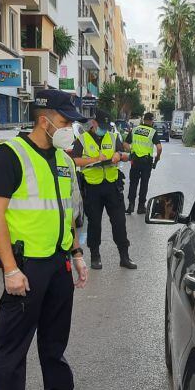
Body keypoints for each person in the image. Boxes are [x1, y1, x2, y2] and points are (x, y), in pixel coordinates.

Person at [0, 89, 98, 390]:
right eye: (65, 123)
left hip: (58, 262)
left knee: (54, 339)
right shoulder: (10, 155)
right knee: (13, 347)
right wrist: (10, 269)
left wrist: (77, 253)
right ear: (44, 119)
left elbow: (66, 212)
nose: (71, 130)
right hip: (26, 266)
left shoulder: (63, 160)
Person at [72, 110, 137, 270]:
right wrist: (95, 160)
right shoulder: (82, 139)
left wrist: (119, 155)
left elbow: (127, 155)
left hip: (112, 186)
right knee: (94, 223)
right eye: (102, 126)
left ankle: (124, 256)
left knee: (119, 222)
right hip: (92, 187)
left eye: (107, 126)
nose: (105, 129)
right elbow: (74, 160)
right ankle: (95, 256)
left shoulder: (113, 137)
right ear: (94, 123)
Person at [126, 111, 163, 215]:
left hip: (135, 160)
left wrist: (131, 152)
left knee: (133, 183)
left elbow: (125, 143)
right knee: (144, 183)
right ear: (151, 121)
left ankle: (131, 205)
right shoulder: (152, 131)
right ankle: (141, 207)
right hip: (147, 162)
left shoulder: (134, 129)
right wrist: (157, 159)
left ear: (143, 120)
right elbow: (159, 148)